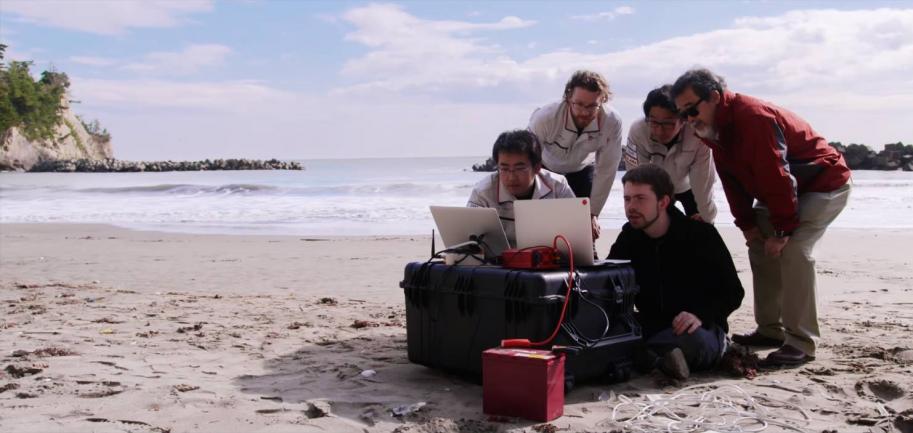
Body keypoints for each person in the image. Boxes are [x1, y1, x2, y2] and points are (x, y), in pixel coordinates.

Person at [671, 68, 851, 366]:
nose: (690, 120)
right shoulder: (712, 127)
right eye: (683, 115)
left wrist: (783, 231)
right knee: (759, 245)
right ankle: (771, 329)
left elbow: (777, 175)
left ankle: (801, 343)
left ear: (715, 96)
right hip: (784, 192)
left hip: (823, 184)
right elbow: (730, 179)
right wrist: (748, 225)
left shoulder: (753, 118)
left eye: (692, 110)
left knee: (794, 252)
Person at [607, 164, 743, 379]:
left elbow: (733, 292)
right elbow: (610, 281)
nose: (631, 206)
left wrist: (700, 314)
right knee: (601, 333)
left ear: (663, 202)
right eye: (627, 199)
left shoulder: (700, 235)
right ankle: (657, 358)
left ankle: (650, 356)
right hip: (651, 324)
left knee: (697, 342)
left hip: (694, 327)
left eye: (640, 199)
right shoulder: (629, 238)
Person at [528, 70, 623, 241]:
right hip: (545, 167)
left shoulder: (612, 122)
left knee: (584, 230)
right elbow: (528, 159)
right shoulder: (545, 117)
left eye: (592, 106)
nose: (584, 112)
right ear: (567, 98)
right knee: (540, 226)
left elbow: (607, 170)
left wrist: (593, 214)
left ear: (603, 101)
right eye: (578, 104)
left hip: (582, 168)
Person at [624, 85, 718, 222]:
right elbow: (637, 178)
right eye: (654, 123)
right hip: (658, 188)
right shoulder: (638, 130)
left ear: (683, 120)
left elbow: (704, 179)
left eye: (668, 124)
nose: (659, 131)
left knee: (703, 227)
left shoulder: (698, 132)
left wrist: (707, 216)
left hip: (690, 186)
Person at [467, 129, 575, 247]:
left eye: (519, 168)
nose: (511, 177)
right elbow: (468, 239)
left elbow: (576, 233)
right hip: (497, 262)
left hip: (550, 259)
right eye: (504, 169)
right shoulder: (483, 193)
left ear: (537, 167)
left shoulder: (558, 187)